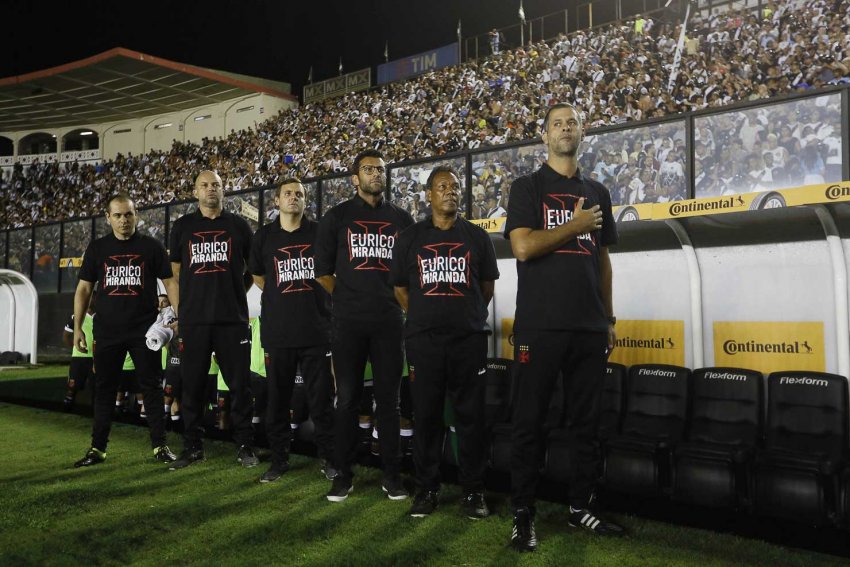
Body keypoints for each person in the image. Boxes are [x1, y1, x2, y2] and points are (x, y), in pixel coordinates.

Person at [504, 103, 624, 551]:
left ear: (582, 132)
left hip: (589, 328)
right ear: (544, 136)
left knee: (586, 425)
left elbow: (604, 261)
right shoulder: (527, 187)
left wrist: (608, 319)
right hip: (541, 328)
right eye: (557, 124)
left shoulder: (597, 190)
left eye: (572, 122)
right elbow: (523, 247)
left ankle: (580, 508)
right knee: (529, 424)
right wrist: (574, 225)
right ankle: (523, 514)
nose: (565, 129)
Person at [391, 165, 499, 518]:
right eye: (442, 186)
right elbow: (401, 290)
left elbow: (486, 289)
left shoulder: (477, 237)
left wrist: (460, 316)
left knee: (471, 418)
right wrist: (427, 316)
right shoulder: (409, 238)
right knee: (426, 418)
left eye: (454, 186)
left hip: (468, 341)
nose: (450, 191)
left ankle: (473, 492)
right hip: (424, 342)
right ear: (428, 195)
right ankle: (426, 489)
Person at [315, 149, 414, 502]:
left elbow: (411, 274)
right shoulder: (337, 217)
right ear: (355, 178)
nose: (376, 174)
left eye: (380, 169)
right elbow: (322, 271)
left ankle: (392, 476)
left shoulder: (402, 220)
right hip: (348, 323)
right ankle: (343, 474)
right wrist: (347, 297)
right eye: (368, 169)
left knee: (390, 402)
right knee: (347, 401)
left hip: (389, 322)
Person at [72, 193, 178, 467]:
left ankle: (160, 447)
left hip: (144, 331)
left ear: (136, 215)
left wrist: (181, 317)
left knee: (152, 389)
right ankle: (97, 449)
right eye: (117, 215)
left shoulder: (151, 247)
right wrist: (77, 328)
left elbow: (171, 283)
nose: (123, 220)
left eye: (128, 214)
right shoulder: (97, 249)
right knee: (104, 390)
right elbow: (84, 289)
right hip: (106, 332)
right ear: (108, 218)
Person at [167, 170, 258, 470]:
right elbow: (176, 274)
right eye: (204, 185)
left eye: (216, 185)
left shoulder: (238, 226)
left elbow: (252, 270)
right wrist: (183, 311)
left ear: (224, 190)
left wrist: (235, 292)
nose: (210, 190)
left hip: (232, 320)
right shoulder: (182, 227)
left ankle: (245, 445)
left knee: (240, 386)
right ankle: (193, 446)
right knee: (191, 386)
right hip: (194, 322)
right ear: (195, 192)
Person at [249, 177, 336, 483]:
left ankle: (328, 458)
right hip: (279, 333)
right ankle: (279, 459)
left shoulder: (319, 232)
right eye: (288, 193)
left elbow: (330, 273)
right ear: (277, 201)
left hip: (316, 330)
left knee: (322, 400)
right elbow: (259, 277)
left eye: (299, 194)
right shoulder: (263, 237)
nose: (294, 198)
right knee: (278, 401)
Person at [62, 291, 96, 411]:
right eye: (90, 298)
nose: (92, 300)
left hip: (95, 358)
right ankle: (67, 405)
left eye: (94, 298)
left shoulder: (100, 316)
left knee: (95, 386)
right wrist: (75, 347)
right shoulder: (77, 316)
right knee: (73, 385)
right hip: (79, 358)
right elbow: (66, 336)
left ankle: (95, 411)